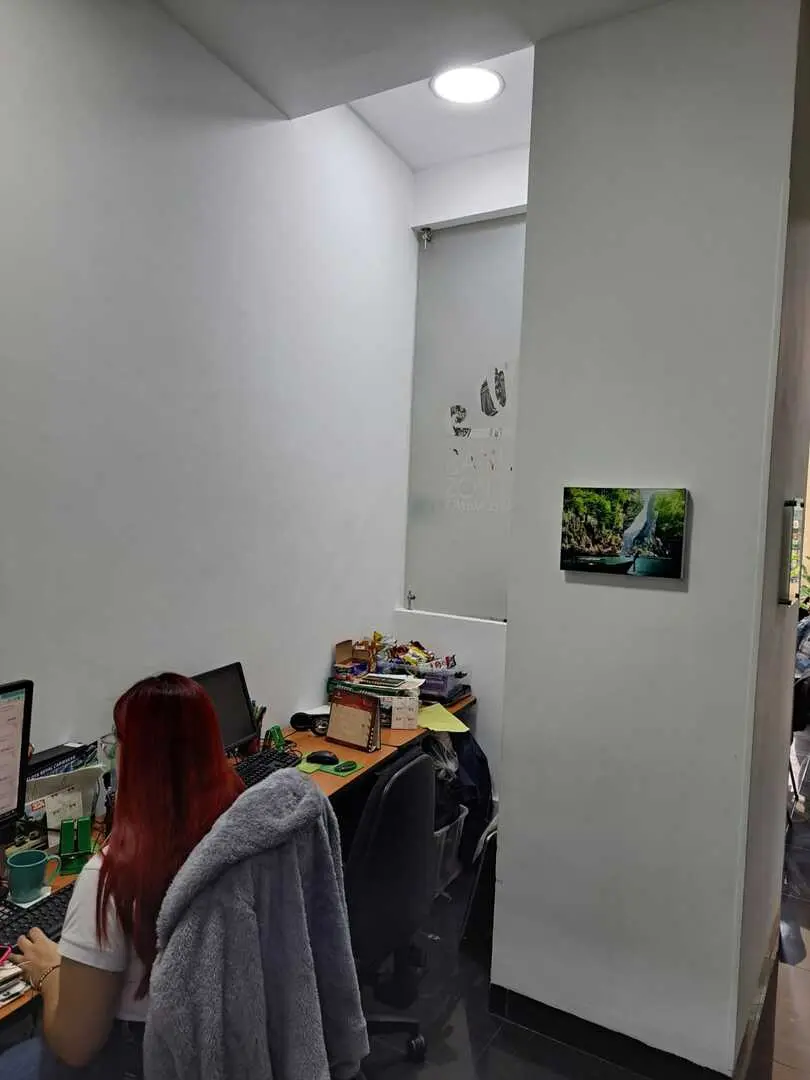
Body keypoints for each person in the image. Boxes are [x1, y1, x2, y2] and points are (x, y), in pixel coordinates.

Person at [0, 673, 244, 1079]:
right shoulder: (235, 833)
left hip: (141, 1060)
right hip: (218, 1048)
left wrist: (49, 970)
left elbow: (75, 1046)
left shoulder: (110, 878)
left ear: (135, 762)